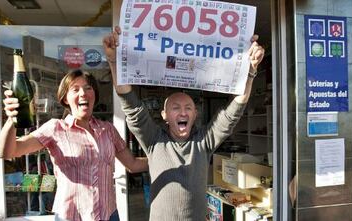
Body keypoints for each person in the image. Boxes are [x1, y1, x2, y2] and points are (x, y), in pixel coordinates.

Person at [103, 26, 264, 221]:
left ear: (195, 114)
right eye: (175, 107)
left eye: (188, 107)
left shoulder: (203, 142)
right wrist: (113, 61)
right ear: (164, 115)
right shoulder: (154, 141)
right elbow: (131, 106)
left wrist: (251, 71)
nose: (182, 112)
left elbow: (232, 113)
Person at [0, 69, 148, 221]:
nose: (83, 93)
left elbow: (133, 164)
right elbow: (9, 151)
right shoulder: (55, 128)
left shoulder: (108, 129)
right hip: (71, 217)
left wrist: (169, 156)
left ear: (94, 95)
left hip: (108, 215)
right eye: (75, 89)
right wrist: (11, 120)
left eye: (88, 88)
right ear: (65, 99)